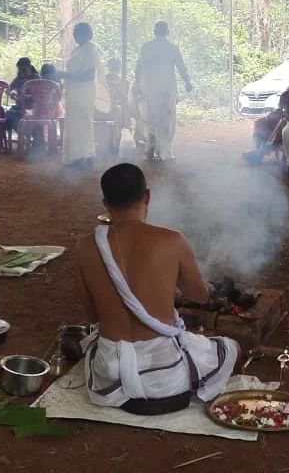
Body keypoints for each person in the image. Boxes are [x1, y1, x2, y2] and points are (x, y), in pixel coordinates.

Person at [75, 164, 239, 411]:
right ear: (147, 197)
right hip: (165, 380)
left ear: (106, 203)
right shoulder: (172, 240)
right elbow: (201, 296)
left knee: (93, 345)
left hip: (108, 380)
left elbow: (93, 315)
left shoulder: (85, 246)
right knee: (229, 347)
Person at [55, 22, 109, 169]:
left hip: (84, 93)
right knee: (73, 124)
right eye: (75, 32)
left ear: (87, 34)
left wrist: (63, 74)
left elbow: (88, 75)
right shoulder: (79, 50)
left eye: (78, 32)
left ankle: (85, 156)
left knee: (83, 124)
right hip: (74, 93)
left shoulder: (90, 50)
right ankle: (75, 157)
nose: (75, 35)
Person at [135, 21, 192, 161]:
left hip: (150, 89)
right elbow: (181, 66)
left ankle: (150, 149)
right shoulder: (172, 48)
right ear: (168, 32)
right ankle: (164, 152)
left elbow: (139, 67)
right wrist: (187, 82)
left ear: (154, 31)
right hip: (167, 90)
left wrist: (138, 85)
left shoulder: (146, 47)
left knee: (151, 118)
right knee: (167, 119)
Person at [5, 57, 39, 133]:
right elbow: (9, 89)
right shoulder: (18, 79)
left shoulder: (37, 78)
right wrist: (13, 93)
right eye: (20, 70)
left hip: (34, 109)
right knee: (8, 114)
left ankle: (27, 132)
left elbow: (40, 96)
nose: (21, 72)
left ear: (30, 67)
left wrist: (24, 98)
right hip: (20, 110)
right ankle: (24, 133)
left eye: (24, 70)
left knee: (12, 116)